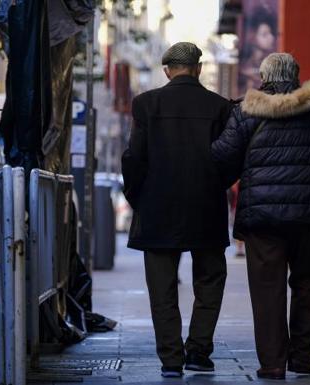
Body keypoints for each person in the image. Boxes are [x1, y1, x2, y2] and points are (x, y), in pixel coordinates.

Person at [211, 53, 310, 380]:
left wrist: (235, 180)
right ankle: (302, 359)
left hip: (263, 218)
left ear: (264, 77)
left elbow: (222, 156)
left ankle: (273, 363)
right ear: (297, 74)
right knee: (307, 284)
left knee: (267, 288)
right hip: (308, 215)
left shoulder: (246, 112)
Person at [121, 42, 233, 378]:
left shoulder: (146, 104)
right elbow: (230, 157)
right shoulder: (219, 107)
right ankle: (198, 351)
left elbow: (133, 158)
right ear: (198, 69)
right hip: (206, 206)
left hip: (157, 208)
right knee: (210, 280)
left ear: (167, 70)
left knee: (162, 288)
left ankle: (171, 359)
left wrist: (138, 197)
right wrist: (217, 185)